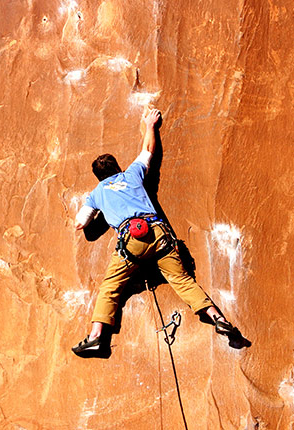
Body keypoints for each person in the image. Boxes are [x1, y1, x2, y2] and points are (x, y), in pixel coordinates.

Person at [72, 108, 237, 354]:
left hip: (131, 242)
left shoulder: (96, 193)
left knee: (110, 287)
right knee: (182, 280)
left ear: (98, 177)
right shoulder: (131, 174)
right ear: (117, 167)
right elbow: (148, 151)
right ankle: (218, 318)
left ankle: (96, 336)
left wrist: (103, 210)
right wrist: (150, 125)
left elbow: (80, 223)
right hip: (160, 236)